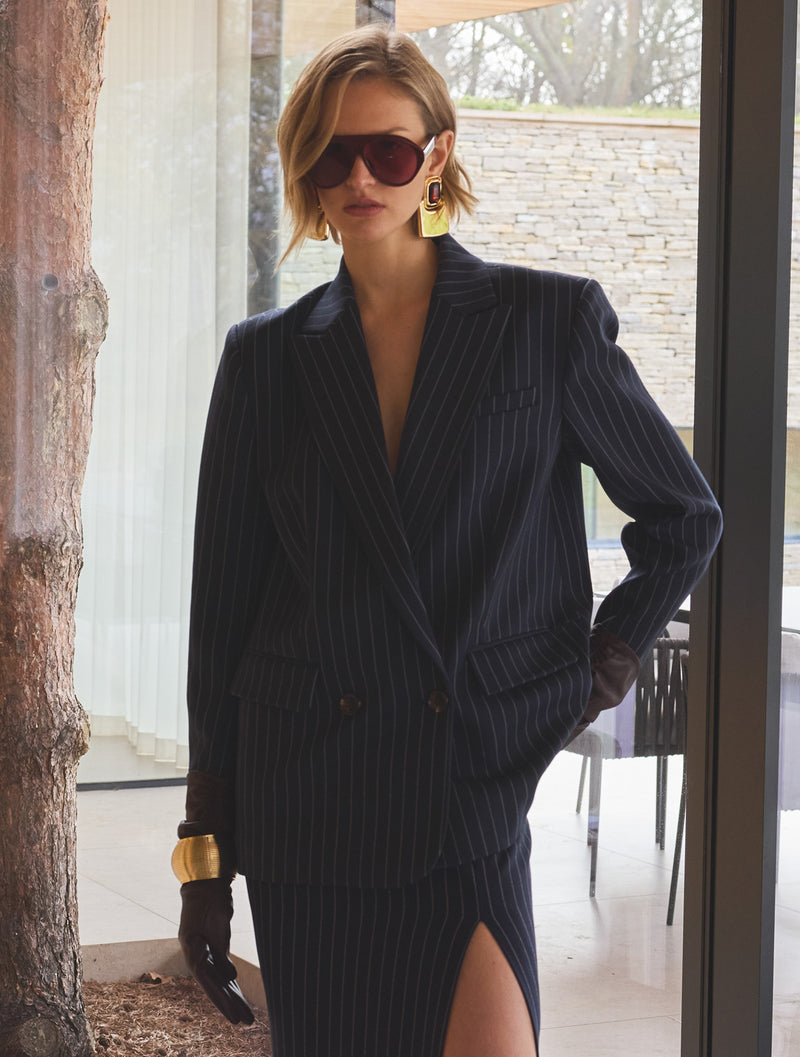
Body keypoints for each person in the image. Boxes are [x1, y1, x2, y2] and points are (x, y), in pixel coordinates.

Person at [172, 23, 722, 1057]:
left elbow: (683, 515)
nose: (357, 178)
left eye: (386, 150)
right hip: (308, 799)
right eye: (330, 154)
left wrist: (591, 673)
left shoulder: (544, 322)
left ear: (436, 155)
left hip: (468, 780)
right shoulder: (266, 360)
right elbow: (222, 617)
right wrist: (204, 856)